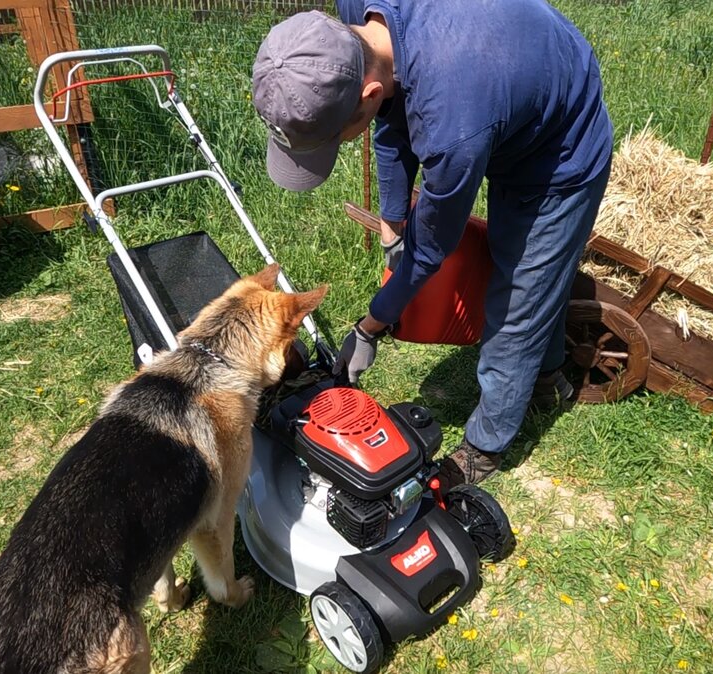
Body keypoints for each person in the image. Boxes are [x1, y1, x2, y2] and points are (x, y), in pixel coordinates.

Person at [250, 0, 613, 486]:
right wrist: (392, 220)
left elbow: (430, 251)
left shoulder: (452, 125)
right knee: (513, 257)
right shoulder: (357, 22)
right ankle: (548, 379)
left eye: (335, 140)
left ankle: (486, 445)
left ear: (368, 90)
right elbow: (388, 123)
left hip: (558, 142)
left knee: (520, 294)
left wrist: (369, 326)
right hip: (506, 88)